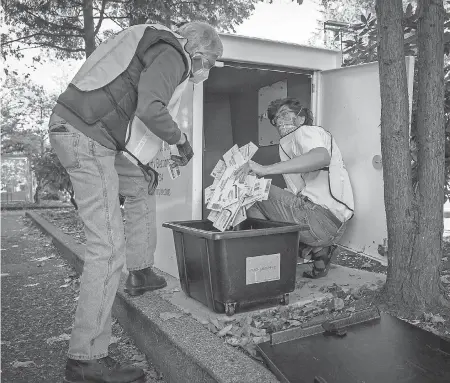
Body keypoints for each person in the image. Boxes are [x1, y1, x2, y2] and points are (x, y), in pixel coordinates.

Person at [48, 22, 223, 383]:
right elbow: (150, 107)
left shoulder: (152, 39)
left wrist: (146, 161)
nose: (205, 68)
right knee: (108, 248)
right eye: (208, 60)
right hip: (87, 136)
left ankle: (141, 272)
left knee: (142, 184)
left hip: (88, 132)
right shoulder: (176, 52)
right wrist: (181, 140)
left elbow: (127, 104)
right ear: (197, 49)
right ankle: (86, 360)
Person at [236, 97, 354, 280]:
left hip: (318, 217)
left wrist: (264, 170)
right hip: (333, 226)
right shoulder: (292, 144)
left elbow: (321, 157)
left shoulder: (305, 131)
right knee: (266, 200)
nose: (279, 121)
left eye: (284, 114)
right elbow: (296, 194)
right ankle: (318, 251)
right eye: (276, 119)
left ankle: (267, 264)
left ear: (301, 117)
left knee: (250, 192)